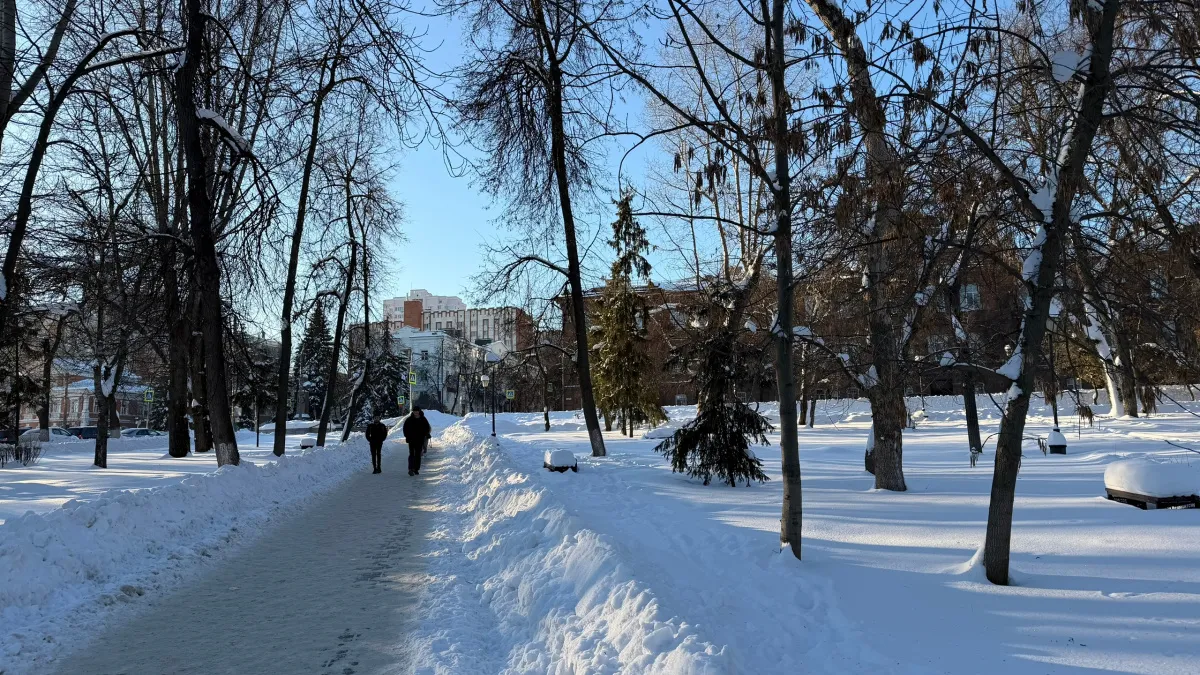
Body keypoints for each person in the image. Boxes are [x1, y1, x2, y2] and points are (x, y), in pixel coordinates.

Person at [402, 407, 432, 476]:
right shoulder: (409, 419)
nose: (416, 413)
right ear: (413, 412)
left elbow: (427, 427)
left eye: (417, 411)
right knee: (411, 454)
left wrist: (426, 434)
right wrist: (407, 436)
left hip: (420, 440)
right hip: (411, 440)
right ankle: (410, 469)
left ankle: (416, 469)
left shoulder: (423, 419)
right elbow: (405, 428)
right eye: (414, 411)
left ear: (419, 411)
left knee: (418, 454)